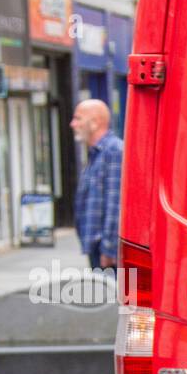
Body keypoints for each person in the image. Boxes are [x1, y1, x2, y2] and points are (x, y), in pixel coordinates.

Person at [70, 99, 122, 271]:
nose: (73, 124)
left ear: (95, 122)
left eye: (78, 118)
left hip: (106, 251)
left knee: (111, 296)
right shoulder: (96, 154)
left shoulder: (113, 151)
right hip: (96, 247)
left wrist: (109, 248)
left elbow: (115, 203)